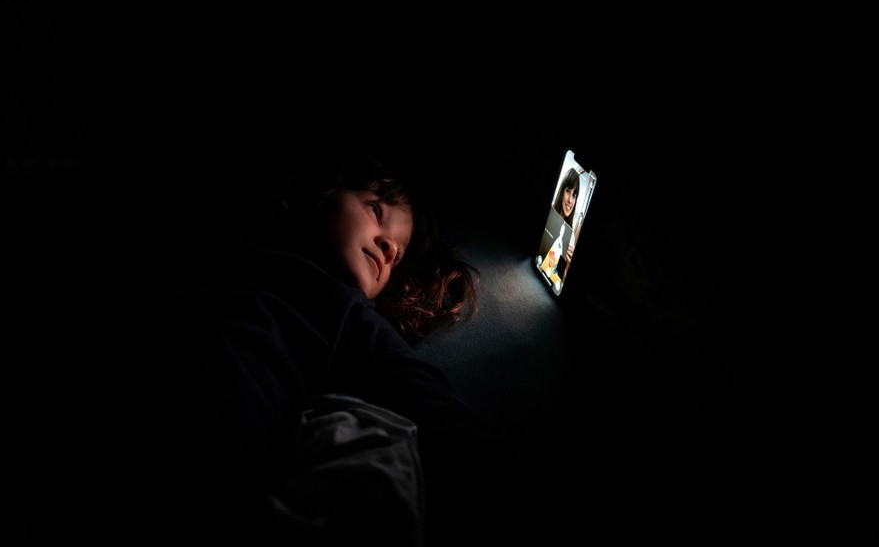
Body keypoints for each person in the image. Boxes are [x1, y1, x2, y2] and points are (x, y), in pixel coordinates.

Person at [9, 152, 537, 547]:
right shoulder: (219, 234)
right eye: (377, 211)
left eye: (396, 255)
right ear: (322, 192)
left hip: (192, 457)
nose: (387, 247)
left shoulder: (346, 313)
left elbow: (432, 407)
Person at [552, 166, 581, 280]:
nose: (570, 200)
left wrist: (569, 264)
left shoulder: (571, 238)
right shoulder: (550, 215)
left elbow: (562, 278)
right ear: (562, 191)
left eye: (574, 195)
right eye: (568, 191)